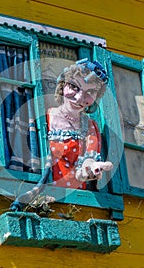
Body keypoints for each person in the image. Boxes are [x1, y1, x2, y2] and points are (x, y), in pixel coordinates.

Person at [47, 58, 113, 190]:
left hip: (77, 199)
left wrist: (89, 166)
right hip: (45, 195)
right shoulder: (45, 118)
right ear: (62, 85)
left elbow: (89, 158)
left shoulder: (89, 127)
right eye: (74, 87)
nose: (78, 98)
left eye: (89, 93)